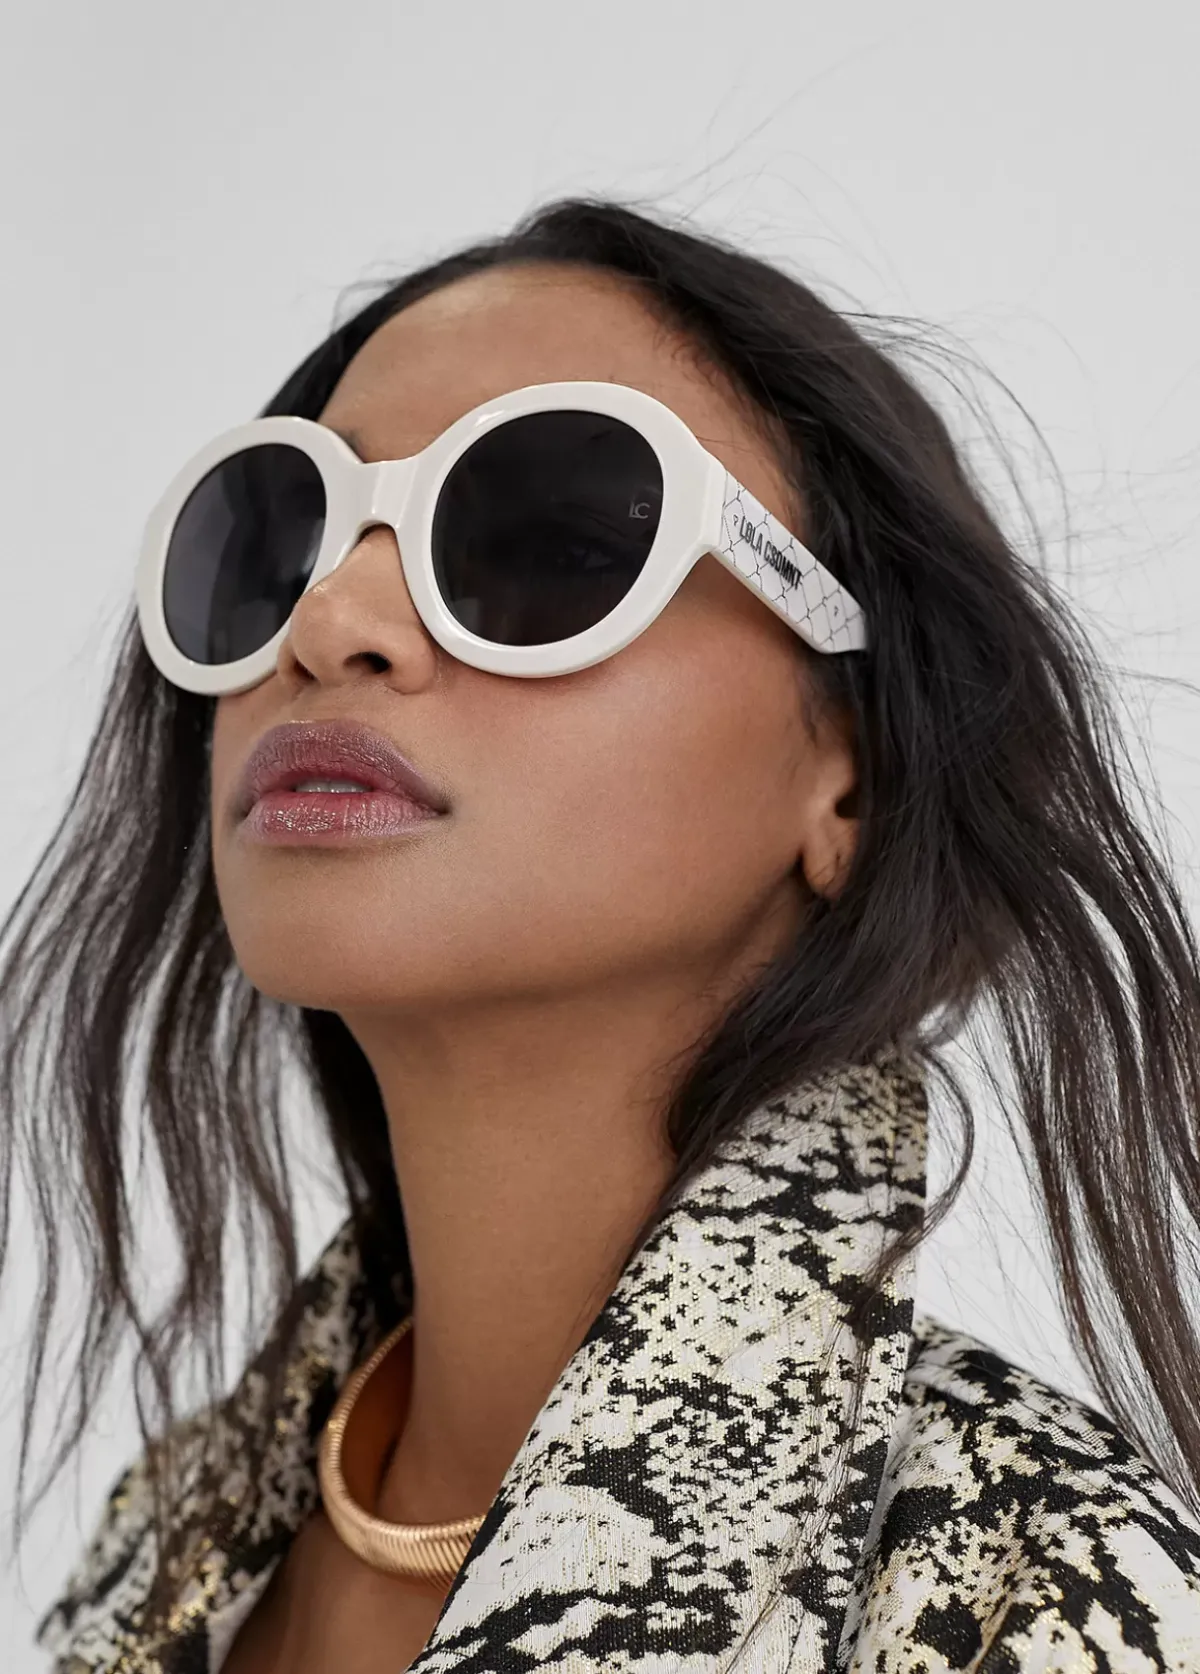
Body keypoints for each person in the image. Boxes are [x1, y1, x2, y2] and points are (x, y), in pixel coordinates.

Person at [5, 196, 1200, 1674]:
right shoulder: (161, 1543)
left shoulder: (1044, 1591)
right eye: (282, 539)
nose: (331, 617)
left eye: (550, 546)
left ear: (854, 775)